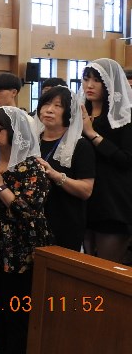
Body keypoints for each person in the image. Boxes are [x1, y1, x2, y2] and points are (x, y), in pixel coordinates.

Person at [0, 106, 53, 354]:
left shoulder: (32, 166)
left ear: (14, 132)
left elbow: (27, 210)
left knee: (18, 317)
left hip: (21, 249)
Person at [80, 58, 132, 263]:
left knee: (106, 266)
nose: (89, 85)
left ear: (110, 83)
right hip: (84, 196)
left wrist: (92, 134)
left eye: (96, 80)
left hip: (112, 198)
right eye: (86, 79)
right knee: (85, 264)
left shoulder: (124, 116)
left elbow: (125, 159)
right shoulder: (80, 113)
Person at [35, 86, 94, 251]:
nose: (49, 110)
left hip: (64, 222)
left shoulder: (80, 145)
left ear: (69, 112)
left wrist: (55, 175)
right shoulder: (31, 141)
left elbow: (86, 190)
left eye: (58, 106)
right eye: (46, 104)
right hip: (31, 222)